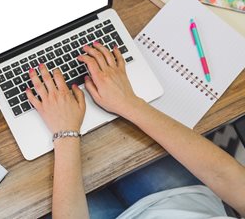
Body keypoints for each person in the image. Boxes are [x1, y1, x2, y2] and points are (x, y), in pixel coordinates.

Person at [25, 41, 245, 219]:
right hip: (179, 199)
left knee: (26, 203)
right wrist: (129, 103)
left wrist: (65, 134)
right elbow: (229, 178)